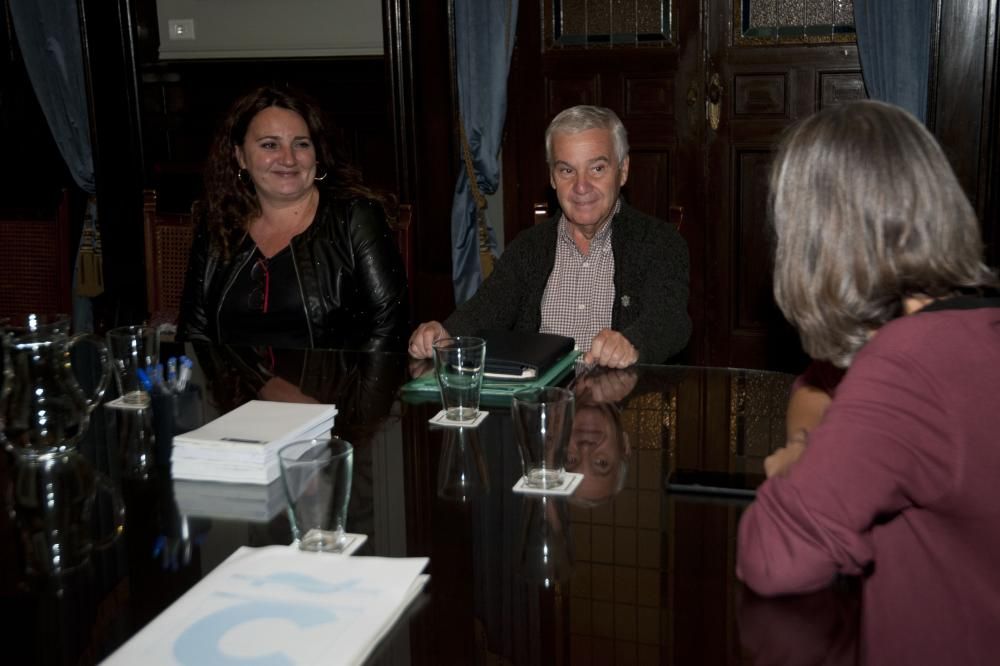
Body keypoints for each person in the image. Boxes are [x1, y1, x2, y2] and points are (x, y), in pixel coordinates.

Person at [736, 100, 1000, 664]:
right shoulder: (970, 323)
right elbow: (819, 385)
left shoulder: (909, 363)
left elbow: (771, 557)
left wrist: (799, 466)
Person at [408, 105, 690, 368]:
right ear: (553, 178)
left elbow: (671, 319)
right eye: (567, 170)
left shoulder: (659, 242)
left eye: (597, 169)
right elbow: (486, 307)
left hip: (620, 409)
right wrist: (444, 332)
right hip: (540, 409)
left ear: (623, 170)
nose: (581, 186)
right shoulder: (529, 247)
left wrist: (632, 343)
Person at [178, 85, 409, 351]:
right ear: (240, 156)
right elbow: (195, 332)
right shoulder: (218, 224)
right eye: (270, 145)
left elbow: (389, 330)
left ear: (316, 154)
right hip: (233, 392)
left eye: (301, 144)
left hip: (336, 390)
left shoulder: (357, 217)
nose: (288, 159)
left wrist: (338, 393)